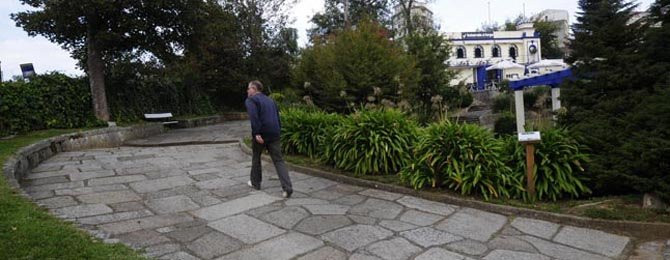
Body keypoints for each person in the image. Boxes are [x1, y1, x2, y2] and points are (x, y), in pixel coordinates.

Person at [244, 80, 293, 198]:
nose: (247, 90)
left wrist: (256, 133)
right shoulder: (271, 100)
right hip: (274, 133)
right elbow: (277, 116)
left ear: (254, 89)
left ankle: (256, 183)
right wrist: (278, 131)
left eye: (248, 88)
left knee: (256, 157)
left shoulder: (251, 100)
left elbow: (254, 116)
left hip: (261, 133)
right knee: (279, 160)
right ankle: (287, 188)